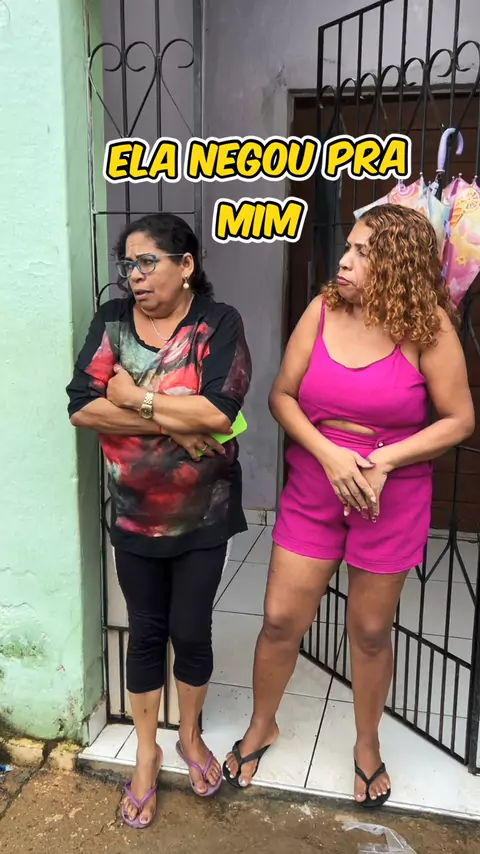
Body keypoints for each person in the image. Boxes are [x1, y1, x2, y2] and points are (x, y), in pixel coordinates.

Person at [224, 204, 474, 808]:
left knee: (368, 631)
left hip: (391, 496)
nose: (344, 260)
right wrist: (330, 455)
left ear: (396, 264)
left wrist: (384, 460)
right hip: (316, 485)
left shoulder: (430, 328)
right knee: (280, 619)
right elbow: (282, 396)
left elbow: (460, 419)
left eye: (362, 252)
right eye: (348, 247)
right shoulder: (323, 309)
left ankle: (366, 743)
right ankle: (262, 724)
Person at [67, 213, 251, 828]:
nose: (136, 276)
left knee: (191, 630)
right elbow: (82, 408)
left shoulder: (217, 323)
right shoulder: (112, 323)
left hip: (204, 510)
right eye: (129, 265)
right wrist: (172, 421)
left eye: (148, 262)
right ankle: (146, 752)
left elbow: (220, 410)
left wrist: (132, 397)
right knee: (146, 632)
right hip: (135, 512)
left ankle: (189, 736)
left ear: (186, 264)